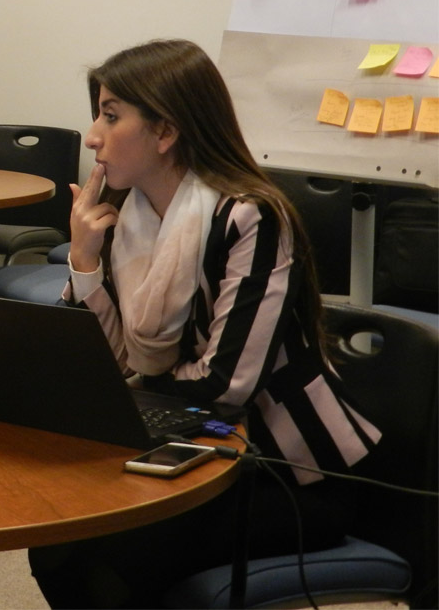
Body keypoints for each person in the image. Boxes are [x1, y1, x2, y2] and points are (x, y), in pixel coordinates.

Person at [27, 39, 381, 608]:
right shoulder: (125, 216)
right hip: (185, 444)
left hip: (284, 472)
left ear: (165, 131)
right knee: (56, 539)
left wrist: (129, 393)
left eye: (111, 116)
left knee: (115, 553)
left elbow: (227, 383)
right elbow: (101, 363)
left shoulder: (251, 215)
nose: (92, 136)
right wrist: (84, 259)